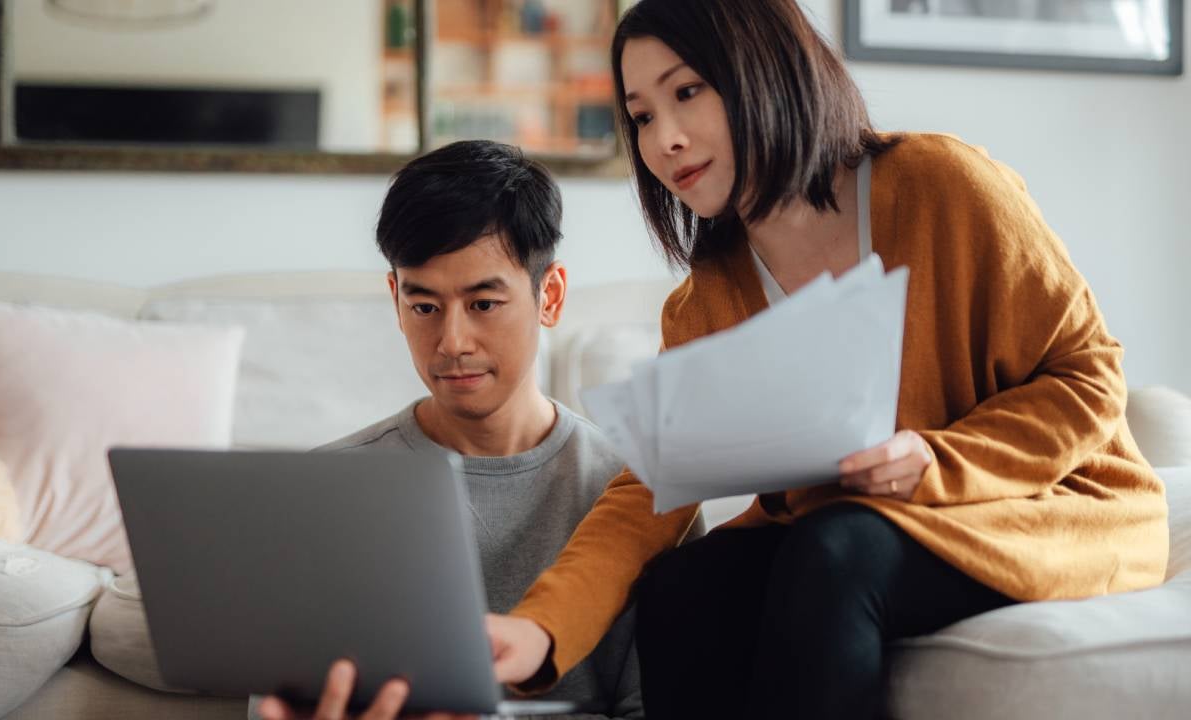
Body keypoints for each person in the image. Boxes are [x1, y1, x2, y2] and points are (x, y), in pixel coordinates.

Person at [482, 1, 1170, 718]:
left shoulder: (947, 186)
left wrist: (938, 460)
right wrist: (542, 628)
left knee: (835, 549)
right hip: (859, 528)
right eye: (643, 116)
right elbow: (652, 492)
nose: (666, 141)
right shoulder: (705, 300)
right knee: (684, 585)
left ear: (763, 71)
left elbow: (1089, 375)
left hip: (1040, 507)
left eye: (686, 92)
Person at [257, 140, 668, 720]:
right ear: (395, 299)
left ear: (548, 295)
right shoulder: (326, 486)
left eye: (483, 304)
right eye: (425, 307)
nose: (452, 342)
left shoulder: (638, 490)